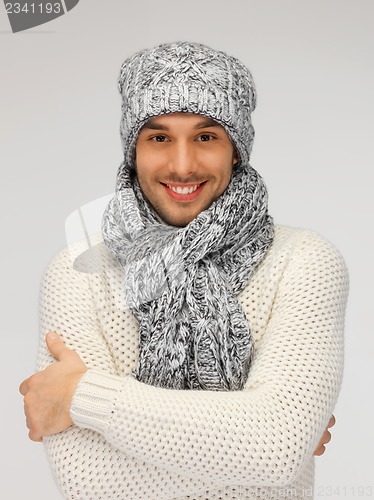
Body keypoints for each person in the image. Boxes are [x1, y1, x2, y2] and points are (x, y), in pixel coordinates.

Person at [19, 41, 348, 499]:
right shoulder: (78, 273)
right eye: (158, 137)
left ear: (237, 149)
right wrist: (246, 446)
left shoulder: (303, 260)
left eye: (206, 136)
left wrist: (80, 397)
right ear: (132, 149)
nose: (182, 165)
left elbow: (275, 448)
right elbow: (91, 483)